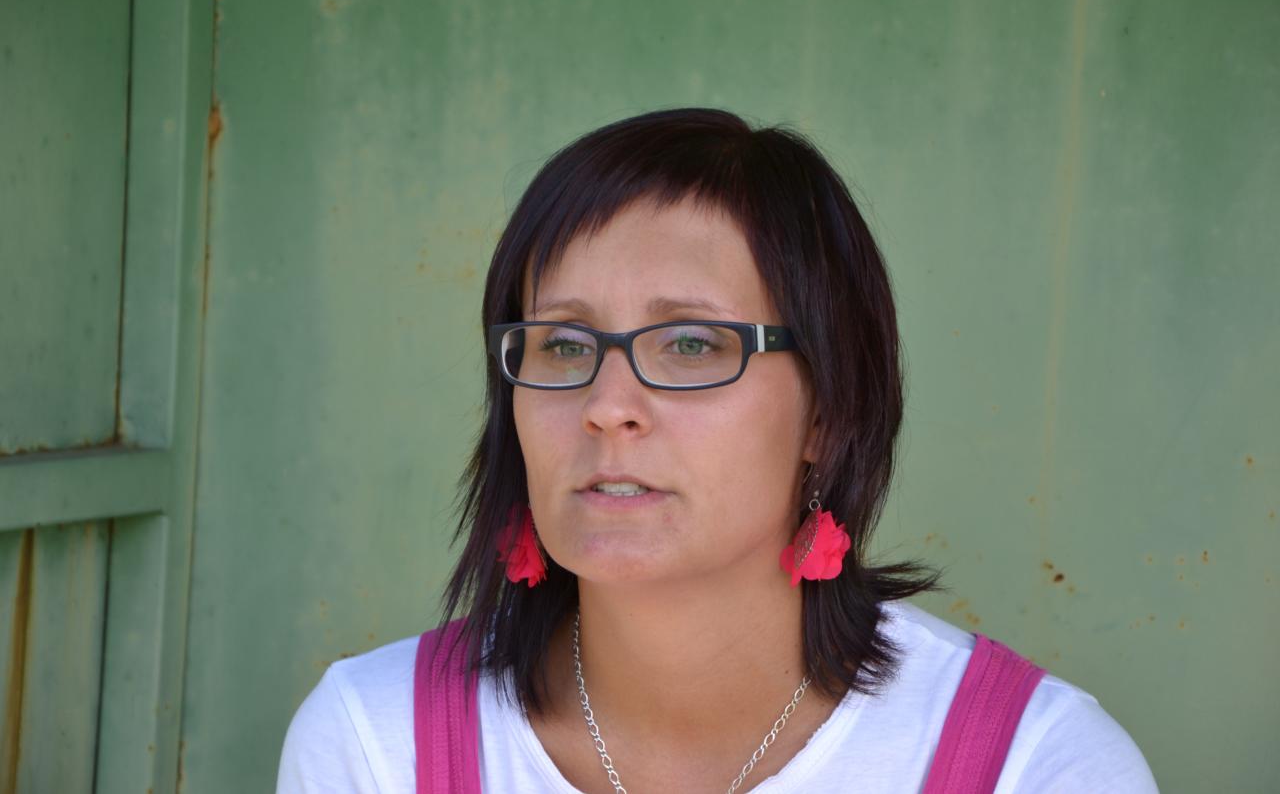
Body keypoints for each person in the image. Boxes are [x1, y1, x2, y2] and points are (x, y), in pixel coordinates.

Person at [277, 108, 1158, 793]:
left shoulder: (1033, 763)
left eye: (692, 344)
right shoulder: (377, 742)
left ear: (828, 411)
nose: (607, 406)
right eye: (563, 344)